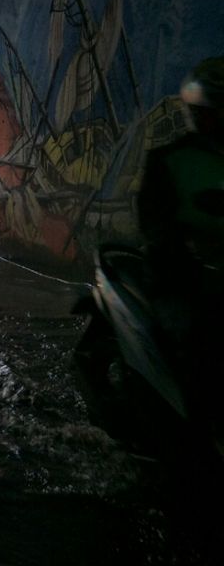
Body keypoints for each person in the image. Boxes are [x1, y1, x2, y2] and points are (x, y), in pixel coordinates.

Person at [136, 56, 224, 423]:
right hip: (183, 279)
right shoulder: (170, 160)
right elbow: (156, 227)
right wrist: (184, 247)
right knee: (192, 342)